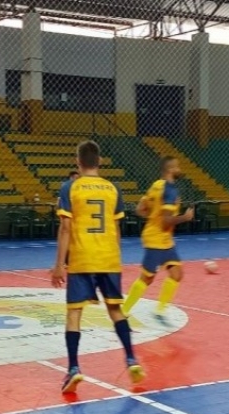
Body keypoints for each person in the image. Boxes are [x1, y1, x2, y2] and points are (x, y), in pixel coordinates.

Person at [51, 141, 143, 394]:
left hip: (83, 259)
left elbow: (66, 228)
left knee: (74, 314)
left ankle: (73, 368)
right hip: (109, 258)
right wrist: (116, 261)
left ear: (77, 162)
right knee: (115, 309)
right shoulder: (113, 189)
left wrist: (59, 265)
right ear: (99, 161)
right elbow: (116, 230)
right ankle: (132, 359)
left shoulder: (70, 187)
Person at [121, 156, 194, 325]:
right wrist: (186, 217)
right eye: (177, 167)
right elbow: (166, 220)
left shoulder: (156, 185)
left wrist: (153, 218)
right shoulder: (170, 190)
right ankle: (123, 311)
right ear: (170, 170)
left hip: (162, 238)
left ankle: (160, 310)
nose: (180, 169)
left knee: (177, 274)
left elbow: (140, 209)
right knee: (147, 278)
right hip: (157, 240)